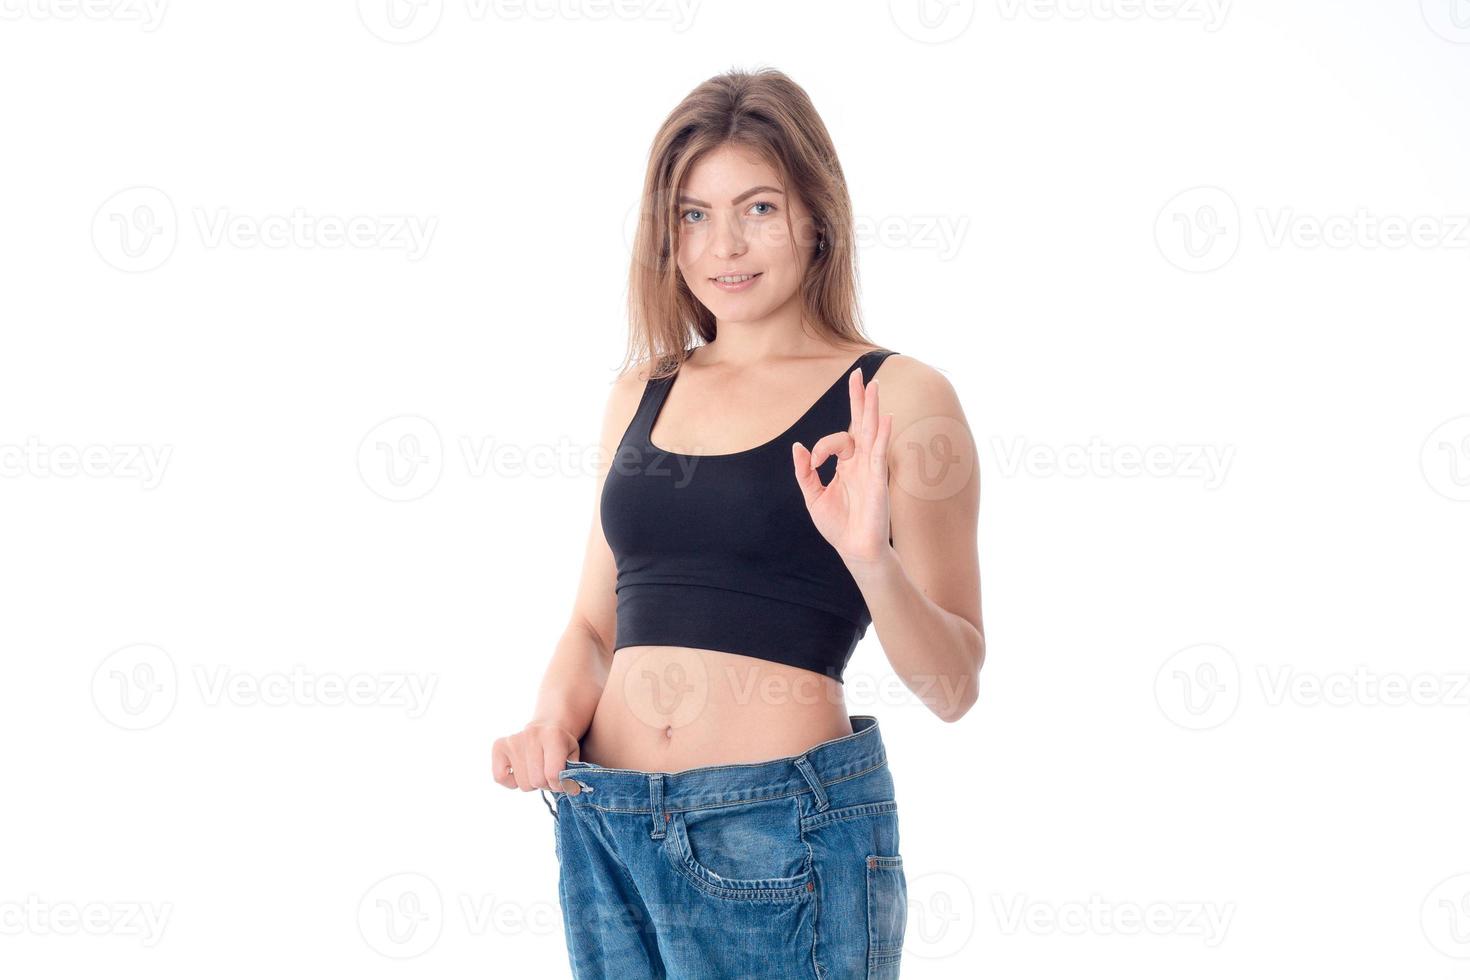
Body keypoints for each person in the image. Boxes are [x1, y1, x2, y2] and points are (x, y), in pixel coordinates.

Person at [491, 67, 985, 979]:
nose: (725, 243)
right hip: (605, 825)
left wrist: (872, 561)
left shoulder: (901, 399)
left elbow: (956, 687)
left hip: (781, 836)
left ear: (817, 215)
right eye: (693, 214)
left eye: (758, 207)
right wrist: (550, 723)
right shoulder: (643, 392)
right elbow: (595, 628)